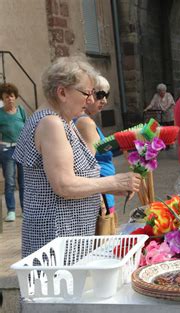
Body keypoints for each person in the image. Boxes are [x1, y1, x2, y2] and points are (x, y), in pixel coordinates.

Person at [13, 56, 141, 257]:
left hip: (68, 235)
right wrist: (112, 182)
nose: (91, 100)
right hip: (57, 237)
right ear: (62, 92)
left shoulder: (63, 121)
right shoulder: (51, 124)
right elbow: (64, 185)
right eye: (86, 93)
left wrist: (111, 187)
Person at [75, 75, 117, 222]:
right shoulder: (85, 123)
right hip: (101, 195)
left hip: (103, 192)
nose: (104, 101)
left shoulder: (84, 120)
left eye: (107, 95)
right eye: (100, 95)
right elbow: (87, 166)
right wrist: (100, 198)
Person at [0, 83, 26, 222]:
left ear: (15, 97)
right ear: (2, 98)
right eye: (6, 97)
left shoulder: (21, 110)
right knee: (9, 182)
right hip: (7, 150)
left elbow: (27, 128)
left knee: (23, 182)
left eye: (11, 96)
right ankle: (11, 211)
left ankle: (25, 210)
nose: (9, 99)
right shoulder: (0, 114)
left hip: (21, 149)